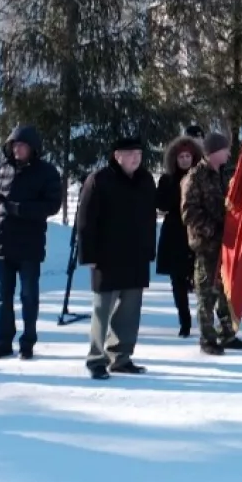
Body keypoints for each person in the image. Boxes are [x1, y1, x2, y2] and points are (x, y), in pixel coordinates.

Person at [76, 138, 157, 379]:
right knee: (103, 310)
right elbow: (85, 221)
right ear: (117, 155)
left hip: (136, 256)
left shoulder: (145, 180)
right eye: (130, 153)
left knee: (130, 312)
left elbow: (150, 219)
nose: (136, 158)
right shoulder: (99, 179)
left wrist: (149, 250)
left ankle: (121, 356)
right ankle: (96, 359)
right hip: (106, 256)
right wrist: (88, 255)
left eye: (139, 153)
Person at [0, 126, 64, 359]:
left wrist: (20, 209)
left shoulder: (47, 172)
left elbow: (52, 205)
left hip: (30, 243)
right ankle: (3, 342)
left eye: (22, 145)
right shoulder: (1, 170)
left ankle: (27, 342)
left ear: (33, 148)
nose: (17, 149)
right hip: (2, 242)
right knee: (2, 298)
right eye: (14, 145)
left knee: (29, 296)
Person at [183, 132, 242, 354]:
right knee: (206, 292)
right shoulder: (195, 177)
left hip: (226, 244)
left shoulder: (225, 175)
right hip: (206, 245)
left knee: (225, 291)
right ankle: (207, 339)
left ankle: (227, 334)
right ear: (213, 153)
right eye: (225, 149)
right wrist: (213, 229)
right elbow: (189, 213)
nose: (229, 153)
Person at [155, 136, 203, 336]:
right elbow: (162, 204)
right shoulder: (167, 179)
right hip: (175, 231)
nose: (184, 160)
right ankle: (184, 321)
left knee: (201, 278)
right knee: (177, 281)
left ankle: (206, 319)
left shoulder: (202, 177)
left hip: (197, 230)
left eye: (187, 156)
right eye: (181, 156)